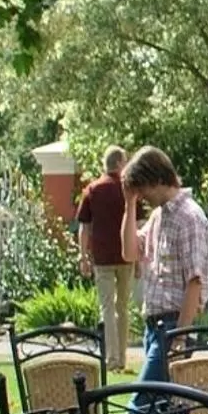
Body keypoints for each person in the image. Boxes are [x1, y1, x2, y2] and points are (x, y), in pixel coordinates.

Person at [119, 146, 208, 414]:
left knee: (140, 407)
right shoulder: (160, 216)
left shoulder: (189, 218)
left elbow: (195, 281)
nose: (142, 197)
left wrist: (179, 336)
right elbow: (129, 252)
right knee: (166, 411)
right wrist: (129, 204)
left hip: (172, 327)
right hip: (154, 327)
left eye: (142, 190)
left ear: (158, 180)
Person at [75, 146, 133, 372]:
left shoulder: (92, 190)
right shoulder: (128, 189)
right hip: (126, 256)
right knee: (123, 308)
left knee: (107, 308)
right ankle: (123, 358)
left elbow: (84, 228)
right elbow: (137, 224)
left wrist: (83, 256)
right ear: (119, 164)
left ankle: (112, 359)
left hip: (102, 258)